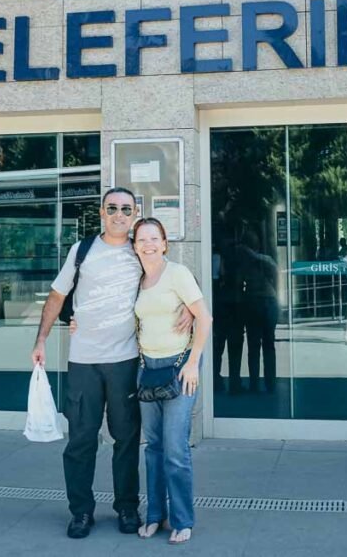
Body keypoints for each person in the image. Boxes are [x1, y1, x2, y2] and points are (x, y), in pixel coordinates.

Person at [31, 187, 191, 540]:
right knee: (81, 441)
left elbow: (173, 284)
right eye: (112, 208)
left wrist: (189, 313)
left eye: (126, 208)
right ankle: (81, 512)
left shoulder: (140, 251)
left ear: (135, 213)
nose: (119, 214)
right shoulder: (82, 250)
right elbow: (58, 296)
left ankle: (126, 507)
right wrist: (41, 338)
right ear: (102, 212)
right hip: (84, 361)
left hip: (125, 361)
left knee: (127, 439)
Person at [129, 218, 212, 545]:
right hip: (148, 369)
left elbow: (204, 316)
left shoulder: (177, 273)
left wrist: (193, 363)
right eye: (141, 239)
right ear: (134, 245)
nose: (147, 244)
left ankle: (182, 519)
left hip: (180, 367)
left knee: (175, 448)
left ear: (165, 243)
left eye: (154, 238)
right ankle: (155, 515)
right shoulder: (137, 280)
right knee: (153, 448)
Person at [238, 229, 279, 393]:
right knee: (267, 345)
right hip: (266, 301)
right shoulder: (263, 260)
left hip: (256, 302)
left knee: (255, 345)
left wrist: (246, 251)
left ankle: (257, 383)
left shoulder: (254, 260)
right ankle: (268, 383)